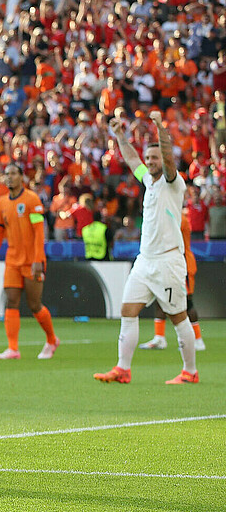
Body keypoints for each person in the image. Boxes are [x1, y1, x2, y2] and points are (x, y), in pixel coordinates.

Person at [95, 112, 199, 384]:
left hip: (168, 262)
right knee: (128, 311)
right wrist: (119, 134)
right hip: (145, 261)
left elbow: (169, 158)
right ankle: (123, 369)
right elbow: (131, 158)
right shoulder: (148, 181)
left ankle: (190, 371)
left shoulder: (173, 182)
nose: (150, 162)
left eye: (155, 158)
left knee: (178, 316)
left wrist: (160, 128)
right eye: (149, 158)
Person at [0, 163, 60, 360]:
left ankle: (52, 340)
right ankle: (13, 348)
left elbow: (38, 232)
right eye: (6, 174)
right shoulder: (1, 203)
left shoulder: (31, 200)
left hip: (32, 260)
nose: (9, 177)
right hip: (12, 260)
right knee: (11, 300)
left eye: (13, 174)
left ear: (21, 177)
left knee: (34, 304)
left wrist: (37, 259)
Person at [138, 211, 206, 352]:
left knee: (187, 302)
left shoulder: (180, 219)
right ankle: (159, 338)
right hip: (165, 263)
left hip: (182, 264)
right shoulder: (168, 215)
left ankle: (198, 340)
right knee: (159, 299)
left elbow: (167, 238)